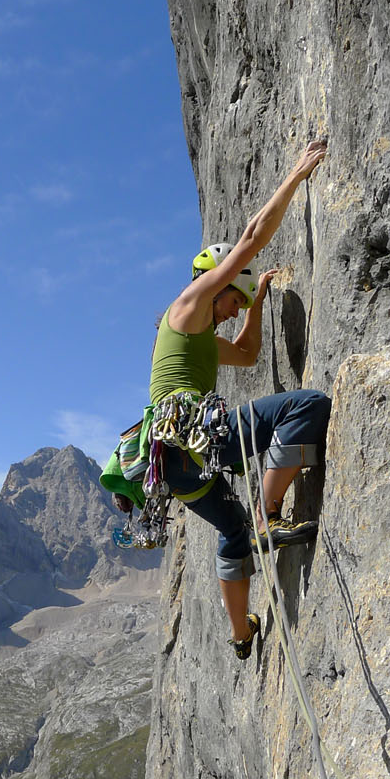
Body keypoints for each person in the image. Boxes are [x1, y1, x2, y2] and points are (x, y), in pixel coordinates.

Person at [117, 139, 331, 660]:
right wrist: (296, 176)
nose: (234, 308)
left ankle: (240, 635)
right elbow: (252, 237)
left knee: (232, 533)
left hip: (173, 467)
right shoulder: (188, 304)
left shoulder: (195, 337)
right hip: (194, 436)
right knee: (306, 406)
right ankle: (270, 510)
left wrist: (257, 304)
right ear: (217, 284)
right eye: (235, 296)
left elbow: (248, 354)